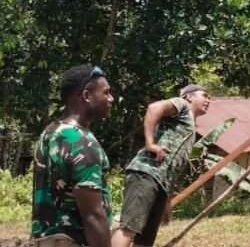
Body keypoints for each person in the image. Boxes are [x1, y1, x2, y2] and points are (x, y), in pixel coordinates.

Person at [111, 85, 212, 247]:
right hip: (147, 172)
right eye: (205, 96)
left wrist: (166, 201)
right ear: (189, 97)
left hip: (160, 182)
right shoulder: (182, 105)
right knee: (129, 228)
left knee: (145, 240)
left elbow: (173, 167)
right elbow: (154, 107)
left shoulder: (190, 124)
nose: (208, 100)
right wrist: (150, 143)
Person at [31, 65, 115, 247]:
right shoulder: (81, 142)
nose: (111, 99)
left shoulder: (51, 132)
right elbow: (93, 215)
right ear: (86, 96)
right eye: (106, 93)